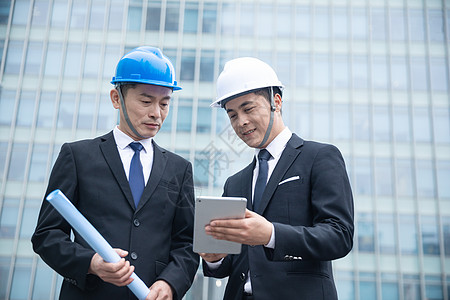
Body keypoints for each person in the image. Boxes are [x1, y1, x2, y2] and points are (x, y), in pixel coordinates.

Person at [32, 47, 199, 300]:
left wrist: (170, 283)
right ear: (116, 98)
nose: (157, 113)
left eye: (165, 103)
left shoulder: (179, 169)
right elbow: (47, 235)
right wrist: (91, 263)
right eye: (146, 101)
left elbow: (186, 243)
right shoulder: (77, 156)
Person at [199, 57, 354, 300]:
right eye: (232, 115)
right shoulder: (235, 183)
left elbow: (339, 236)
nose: (241, 122)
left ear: (276, 102)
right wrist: (215, 258)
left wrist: (271, 234)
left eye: (248, 109)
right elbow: (232, 265)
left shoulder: (319, 157)